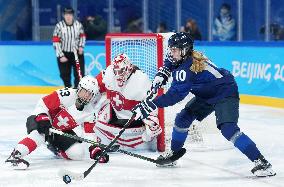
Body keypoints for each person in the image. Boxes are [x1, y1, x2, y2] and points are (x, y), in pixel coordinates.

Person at [132, 32, 276, 177]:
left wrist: (150, 104)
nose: (171, 52)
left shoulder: (186, 69)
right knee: (182, 119)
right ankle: (174, 155)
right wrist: (162, 74)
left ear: (184, 50)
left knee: (228, 129)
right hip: (207, 93)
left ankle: (262, 162)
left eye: (174, 49)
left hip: (224, 92)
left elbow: (175, 96)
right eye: (171, 49)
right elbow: (169, 62)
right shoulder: (181, 58)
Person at [5, 76, 110, 169]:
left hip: (58, 131)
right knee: (40, 134)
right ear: (79, 88)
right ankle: (16, 154)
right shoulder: (67, 94)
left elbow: (89, 134)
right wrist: (43, 117)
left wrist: (95, 149)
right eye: (84, 91)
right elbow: (43, 103)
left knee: (78, 154)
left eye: (90, 94)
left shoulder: (90, 112)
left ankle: (55, 148)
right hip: (42, 119)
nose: (86, 96)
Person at [84, 53, 161, 151]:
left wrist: (152, 122)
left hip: (135, 120)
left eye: (121, 71)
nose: (117, 75)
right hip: (116, 114)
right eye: (115, 71)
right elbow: (94, 87)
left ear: (129, 68)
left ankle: (142, 145)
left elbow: (153, 105)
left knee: (152, 129)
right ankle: (100, 142)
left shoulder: (142, 81)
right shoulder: (108, 74)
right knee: (97, 109)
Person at [52, 7, 86, 88]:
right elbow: (56, 41)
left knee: (79, 74)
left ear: (73, 15)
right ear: (64, 15)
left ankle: (77, 91)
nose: (68, 16)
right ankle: (69, 90)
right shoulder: (59, 26)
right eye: (66, 14)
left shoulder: (78, 25)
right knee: (64, 75)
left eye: (70, 14)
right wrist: (61, 55)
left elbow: (82, 36)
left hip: (76, 53)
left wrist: (81, 46)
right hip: (64, 53)